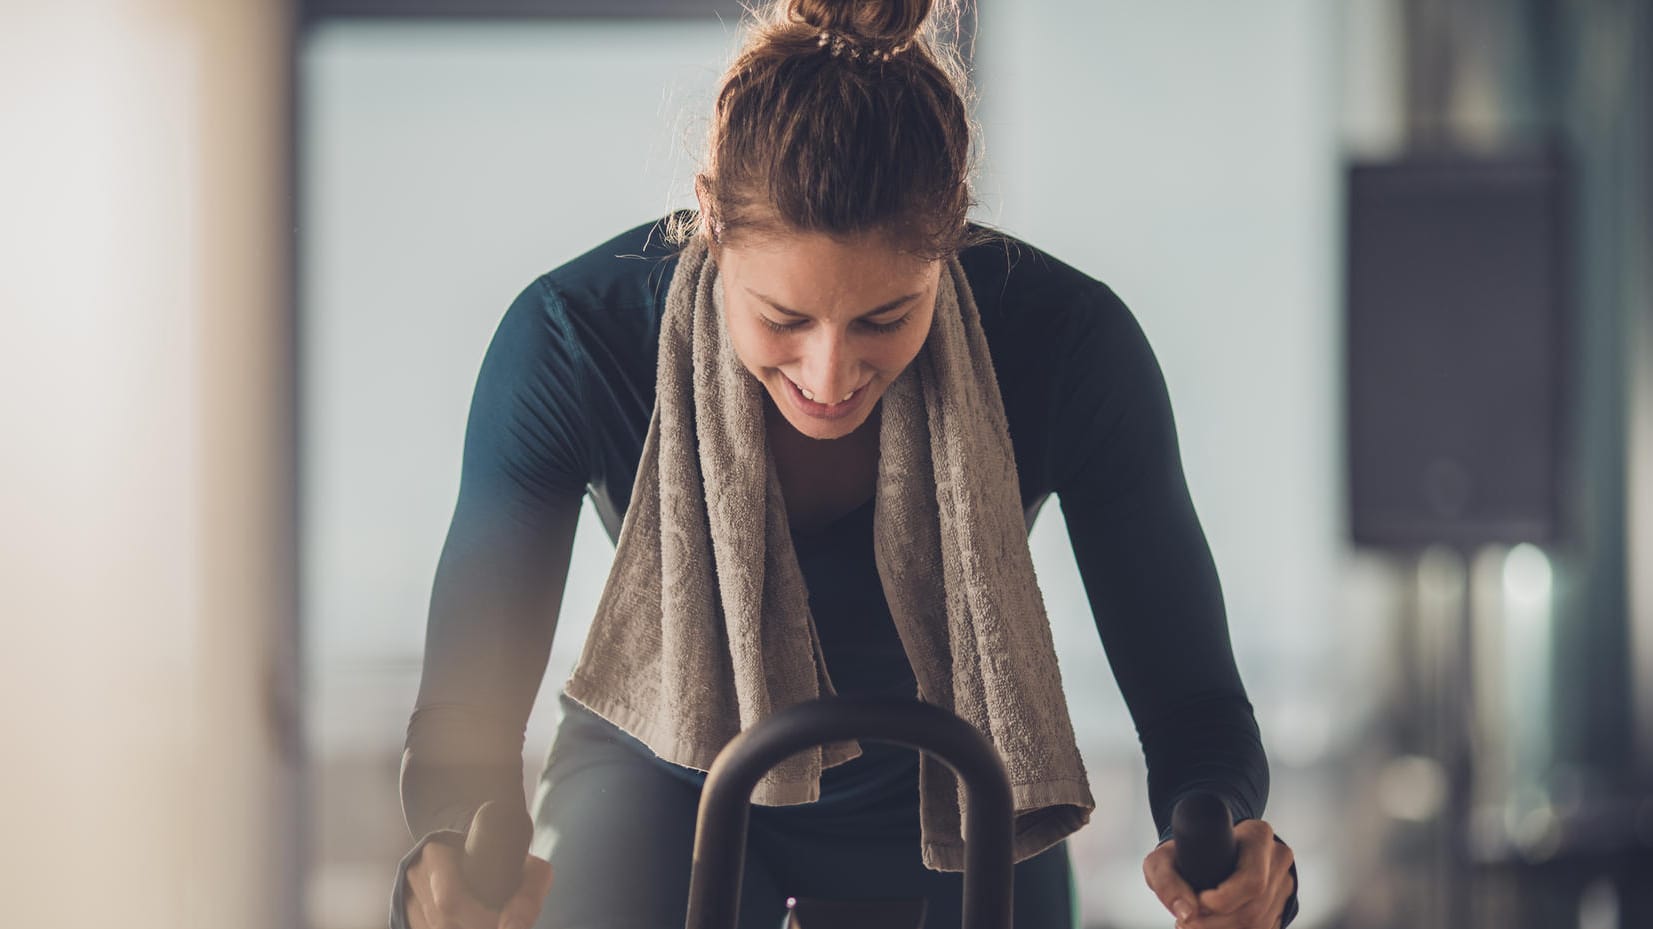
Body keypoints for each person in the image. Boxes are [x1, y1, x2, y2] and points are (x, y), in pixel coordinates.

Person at [390, 1, 1300, 928]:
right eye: (783, 319)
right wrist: (456, 851)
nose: (829, 375)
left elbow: (1191, 705)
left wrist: (1226, 843)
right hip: (667, 772)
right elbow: (465, 714)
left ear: (951, 244)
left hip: (959, 784)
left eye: (884, 318)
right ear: (709, 220)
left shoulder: (1070, 343)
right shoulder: (572, 341)